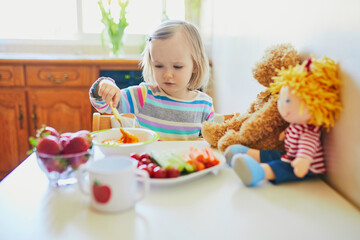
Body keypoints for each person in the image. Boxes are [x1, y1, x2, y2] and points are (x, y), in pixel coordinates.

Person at [224, 56, 342, 187]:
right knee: (273, 154)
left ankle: (259, 172)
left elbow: (307, 147)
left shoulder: (310, 130)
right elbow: (294, 131)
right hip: (289, 155)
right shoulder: (297, 124)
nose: (283, 107)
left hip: (304, 167)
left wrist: (302, 161)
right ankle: (246, 153)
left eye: (288, 101)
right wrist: (285, 133)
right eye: (282, 100)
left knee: (281, 167)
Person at [89, 20, 214, 140]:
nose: (167, 75)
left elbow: (208, 142)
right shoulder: (143, 96)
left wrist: (204, 142)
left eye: (177, 67)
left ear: (195, 66)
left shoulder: (205, 105)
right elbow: (105, 106)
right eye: (158, 66)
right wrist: (103, 87)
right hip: (146, 161)